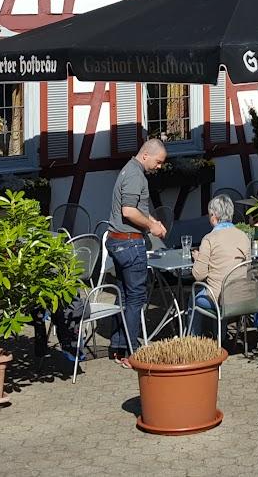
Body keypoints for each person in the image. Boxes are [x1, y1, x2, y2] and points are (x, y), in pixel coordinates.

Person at [106, 138, 168, 366]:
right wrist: (151, 227)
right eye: (158, 162)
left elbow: (139, 209)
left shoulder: (130, 170)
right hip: (129, 243)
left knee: (123, 295)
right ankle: (132, 354)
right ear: (146, 156)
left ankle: (118, 347)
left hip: (119, 241)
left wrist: (154, 221)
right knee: (136, 298)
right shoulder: (135, 175)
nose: (159, 167)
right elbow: (129, 211)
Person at [189, 194, 250, 337]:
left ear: (213, 216)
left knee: (192, 298)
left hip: (219, 298)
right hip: (240, 295)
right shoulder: (243, 236)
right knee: (220, 284)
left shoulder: (210, 239)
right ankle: (221, 338)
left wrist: (199, 259)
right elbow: (246, 268)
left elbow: (198, 275)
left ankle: (193, 339)